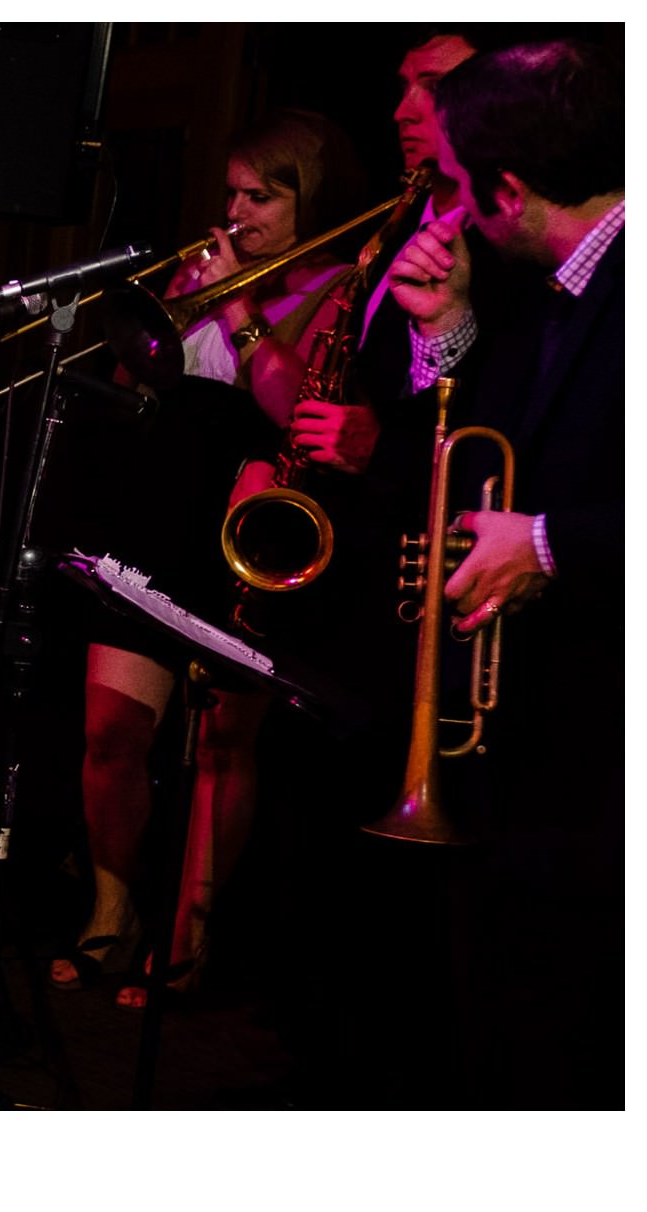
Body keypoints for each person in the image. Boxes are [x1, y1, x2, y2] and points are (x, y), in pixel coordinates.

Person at [53, 109, 362, 1000]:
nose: (236, 211)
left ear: (313, 200)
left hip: (246, 532)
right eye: (231, 192)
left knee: (222, 745)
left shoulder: (341, 286)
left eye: (259, 196)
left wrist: (240, 309)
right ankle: (113, 912)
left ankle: (191, 929)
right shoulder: (208, 274)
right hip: (154, 519)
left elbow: (294, 406)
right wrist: (166, 316)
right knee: (110, 732)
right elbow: (131, 389)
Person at [383, 38, 623, 1106]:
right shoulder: (560, 281)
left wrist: (545, 544)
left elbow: (543, 511)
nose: (454, 213)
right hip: (539, 759)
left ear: (509, 187)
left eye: (457, 186)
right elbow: (493, 445)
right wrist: (443, 331)